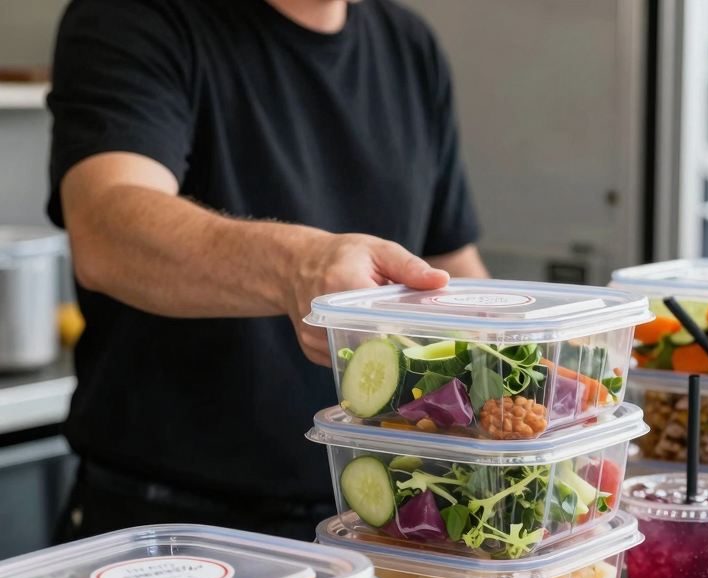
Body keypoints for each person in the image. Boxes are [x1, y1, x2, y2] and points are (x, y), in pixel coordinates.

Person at [47, 0, 487, 542]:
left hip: (382, 519)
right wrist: (297, 266)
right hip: (171, 530)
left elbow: (449, 268)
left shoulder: (409, 44)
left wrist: (534, 367)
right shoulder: (133, 16)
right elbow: (104, 226)